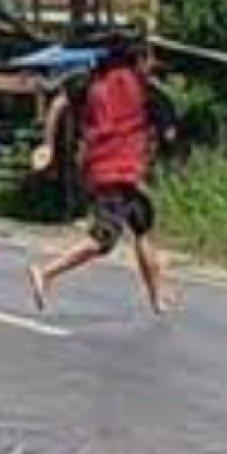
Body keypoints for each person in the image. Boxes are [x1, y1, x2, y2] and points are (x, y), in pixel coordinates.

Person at [25, 37, 179, 315]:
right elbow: (169, 133)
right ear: (138, 61)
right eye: (148, 59)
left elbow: (58, 104)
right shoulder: (144, 89)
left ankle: (157, 297)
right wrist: (159, 138)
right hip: (120, 172)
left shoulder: (90, 82)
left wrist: (48, 144)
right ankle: (46, 272)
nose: (151, 64)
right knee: (104, 239)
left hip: (99, 170)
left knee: (142, 226)